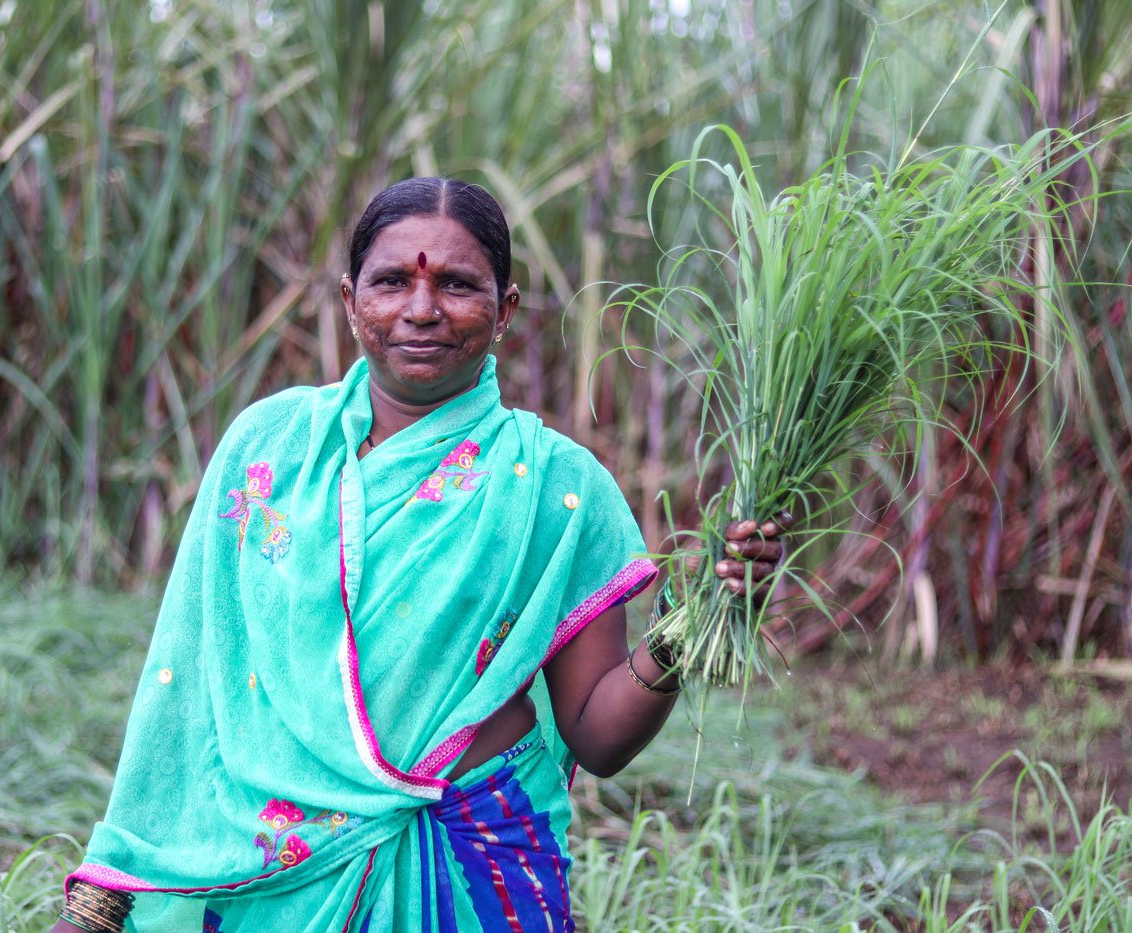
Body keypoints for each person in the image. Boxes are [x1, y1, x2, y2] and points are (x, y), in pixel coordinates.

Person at [53, 178, 786, 932]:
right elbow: (190, 690)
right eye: (393, 281)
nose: (422, 308)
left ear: (504, 310)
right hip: (270, 872)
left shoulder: (557, 489)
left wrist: (691, 626)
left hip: (472, 862)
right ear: (350, 300)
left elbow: (597, 738)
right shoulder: (269, 450)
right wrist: (104, 897)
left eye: (458, 284)